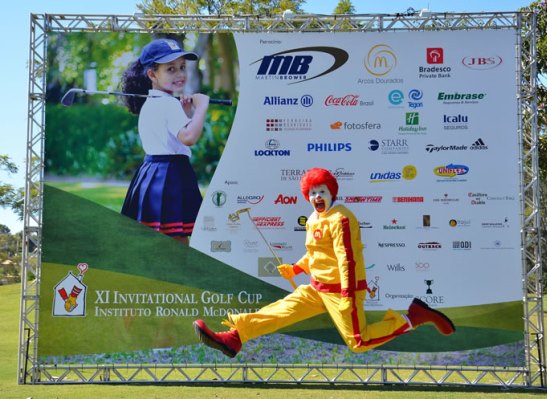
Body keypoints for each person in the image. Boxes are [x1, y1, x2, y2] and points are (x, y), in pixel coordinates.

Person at [193, 168, 455, 358]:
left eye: (322, 191)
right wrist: (296, 268)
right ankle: (234, 338)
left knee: (358, 342)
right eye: (313, 192)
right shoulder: (314, 219)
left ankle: (413, 318)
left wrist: (346, 293)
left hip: (343, 291)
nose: (317, 196)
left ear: (332, 193)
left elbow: (346, 258)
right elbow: (316, 254)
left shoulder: (341, 218)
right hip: (317, 288)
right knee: (279, 311)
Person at [120, 38, 209, 244]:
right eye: (170, 69)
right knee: (177, 240)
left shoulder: (152, 102)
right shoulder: (168, 104)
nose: (180, 74)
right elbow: (188, 138)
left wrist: (186, 113)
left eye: (182, 67)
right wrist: (202, 108)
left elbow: (172, 138)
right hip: (170, 176)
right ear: (152, 74)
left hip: (153, 172)